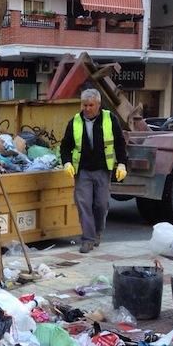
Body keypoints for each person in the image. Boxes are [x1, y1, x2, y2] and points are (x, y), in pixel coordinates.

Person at [59, 88, 127, 253]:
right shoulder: (74, 122)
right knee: (84, 204)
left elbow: (119, 143)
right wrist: (67, 162)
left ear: (98, 104)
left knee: (101, 205)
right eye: (84, 105)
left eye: (91, 105)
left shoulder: (110, 119)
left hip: (103, 170)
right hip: (82, 171)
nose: (87, 108)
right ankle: (88, 239)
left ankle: (97, 232)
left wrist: (123, 164)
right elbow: (65, 146)